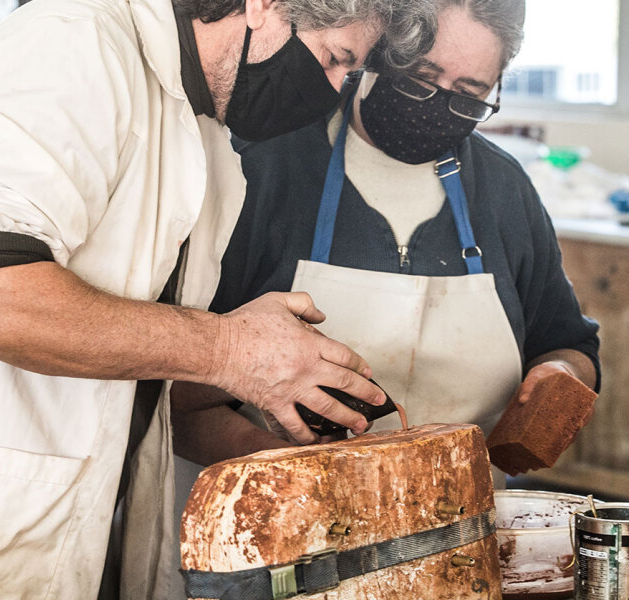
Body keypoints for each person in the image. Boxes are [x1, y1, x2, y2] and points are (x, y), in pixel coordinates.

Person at [0, 0, 436, 597]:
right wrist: (230, 348)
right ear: (263, 5)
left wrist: (269, 383)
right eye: (334, 59)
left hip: (63, 534)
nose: (332, 90)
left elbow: (139, 359)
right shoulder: (74, 43)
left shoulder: (206, 133)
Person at [173, 0, 600, 478]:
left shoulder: (503, 190)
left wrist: (559, 379)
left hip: (463, 524)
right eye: (421, 78)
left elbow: (568, 345)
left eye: (469, 95)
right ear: (375, 50)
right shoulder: (263, 166)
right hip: (277, 520)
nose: (437, 105)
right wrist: (298, 474)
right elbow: (177, 398)